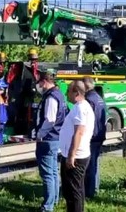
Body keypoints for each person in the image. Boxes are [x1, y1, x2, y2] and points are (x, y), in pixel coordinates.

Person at [59, 80, 95, 212]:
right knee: (70, 190)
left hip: (76, 156)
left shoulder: (81, 108)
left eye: (68, 90)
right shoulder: (78, 106)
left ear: (77, 93)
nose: (66, 93)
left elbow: (79, 132)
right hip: (72, 154)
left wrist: (71, 155)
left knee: (74, 191)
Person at [34, 71, 67, 212]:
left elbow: (50, 119)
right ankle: (53, 200)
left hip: (48, 139)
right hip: (55, 138)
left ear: (44, 81)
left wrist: (40, 134)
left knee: (47, 174)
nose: (38, 85)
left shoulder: (51, 97)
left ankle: (48, 207)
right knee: (53, 172)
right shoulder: (58, 94)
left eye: (39, 82)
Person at [82, 77, 107, 199]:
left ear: (85, 86)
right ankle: (95, 187)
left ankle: (89, 193)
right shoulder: (99, 98)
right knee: (95, 163)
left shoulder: (88, 100)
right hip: (99, 135)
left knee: (90, 165)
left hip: (92, 136)